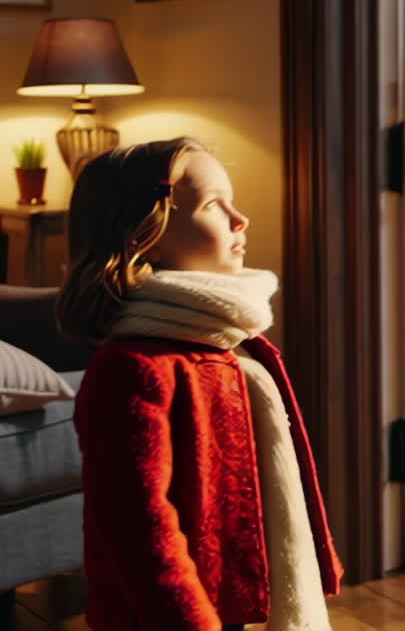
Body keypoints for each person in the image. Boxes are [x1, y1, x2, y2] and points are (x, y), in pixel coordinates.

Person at [58, 138, 342, 631]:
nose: (240, 219)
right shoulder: (131, 367)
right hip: (163, 615)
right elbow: (138, 526)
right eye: (214, 205)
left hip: (227, 595)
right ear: (144, 233)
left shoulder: (230, 341)